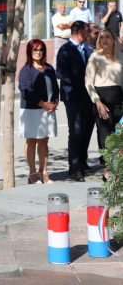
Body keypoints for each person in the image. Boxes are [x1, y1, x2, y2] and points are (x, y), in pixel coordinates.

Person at [56, 21, 95, 182]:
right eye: (87, 31)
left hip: (88, 96)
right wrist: (81, 81)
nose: (89, 34)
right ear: (79, 32)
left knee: (87, 129)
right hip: (73, 96)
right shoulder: (65, 49)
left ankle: (82, 160)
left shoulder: (87, 48)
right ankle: (74, 167)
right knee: (76, 131)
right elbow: (61, 73)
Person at [18, 39, 59, 185]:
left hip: (47, 109)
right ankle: (33, 174)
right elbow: (25, 91)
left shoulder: (48, 68)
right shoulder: (26, 70)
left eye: (40, 49)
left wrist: (55, 101)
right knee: (32, 140)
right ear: (30, 52)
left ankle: (44, 172)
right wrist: (43, 104)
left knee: (44, 140)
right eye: (35, 50)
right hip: (32, 109)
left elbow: (55, 86)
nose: (38, 52)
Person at [85, 28, 123, 182]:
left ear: (114, 39)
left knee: (119, 137)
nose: (105, 39)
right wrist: (97, 101)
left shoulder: (120, 56)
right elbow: (88, 82)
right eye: (102, 37)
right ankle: (107, 169)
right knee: (106, 136)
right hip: (102, 101)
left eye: (108, 37)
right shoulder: (95, 57)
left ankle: (118, 169)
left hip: (118, 100)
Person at [51, 3, 72, 69]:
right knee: (57, 55)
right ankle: (54, 71)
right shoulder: (55, 17)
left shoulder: (68, 16)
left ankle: (65, 70)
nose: (63, 10)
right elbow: (60, 26)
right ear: (58, 9)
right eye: (61, 8)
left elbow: (72, 24)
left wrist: (64, 24)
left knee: (68, 55)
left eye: (64, 8)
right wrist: (67, 25)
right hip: (59, 39)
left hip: (68, 39)